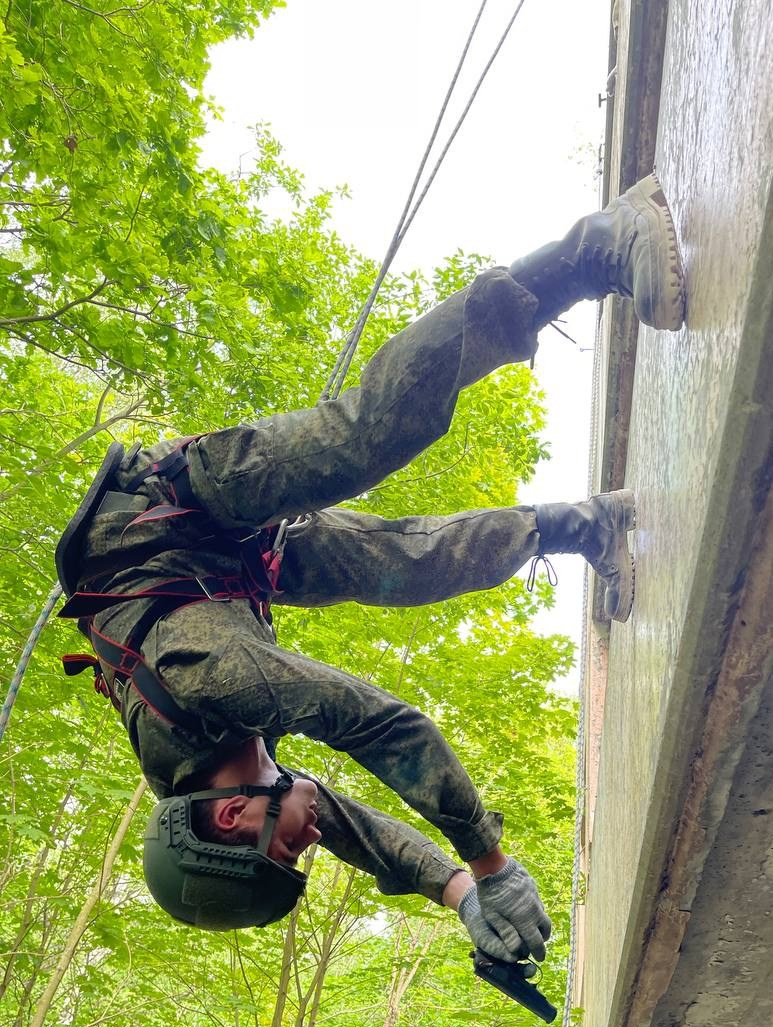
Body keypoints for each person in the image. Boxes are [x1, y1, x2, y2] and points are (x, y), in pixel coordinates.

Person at [57, 174, 685, 961]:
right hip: (233, 570)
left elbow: (379, 722)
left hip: (178, 508)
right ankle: (591, 525)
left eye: (288, 852)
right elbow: (349, 824)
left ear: (229, 819)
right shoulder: (209, 773)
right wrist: (459, 893)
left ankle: (591, 251)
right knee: (408, 567)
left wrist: (490, 860)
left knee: (364, 440)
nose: (309, 842)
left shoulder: (204, 678)